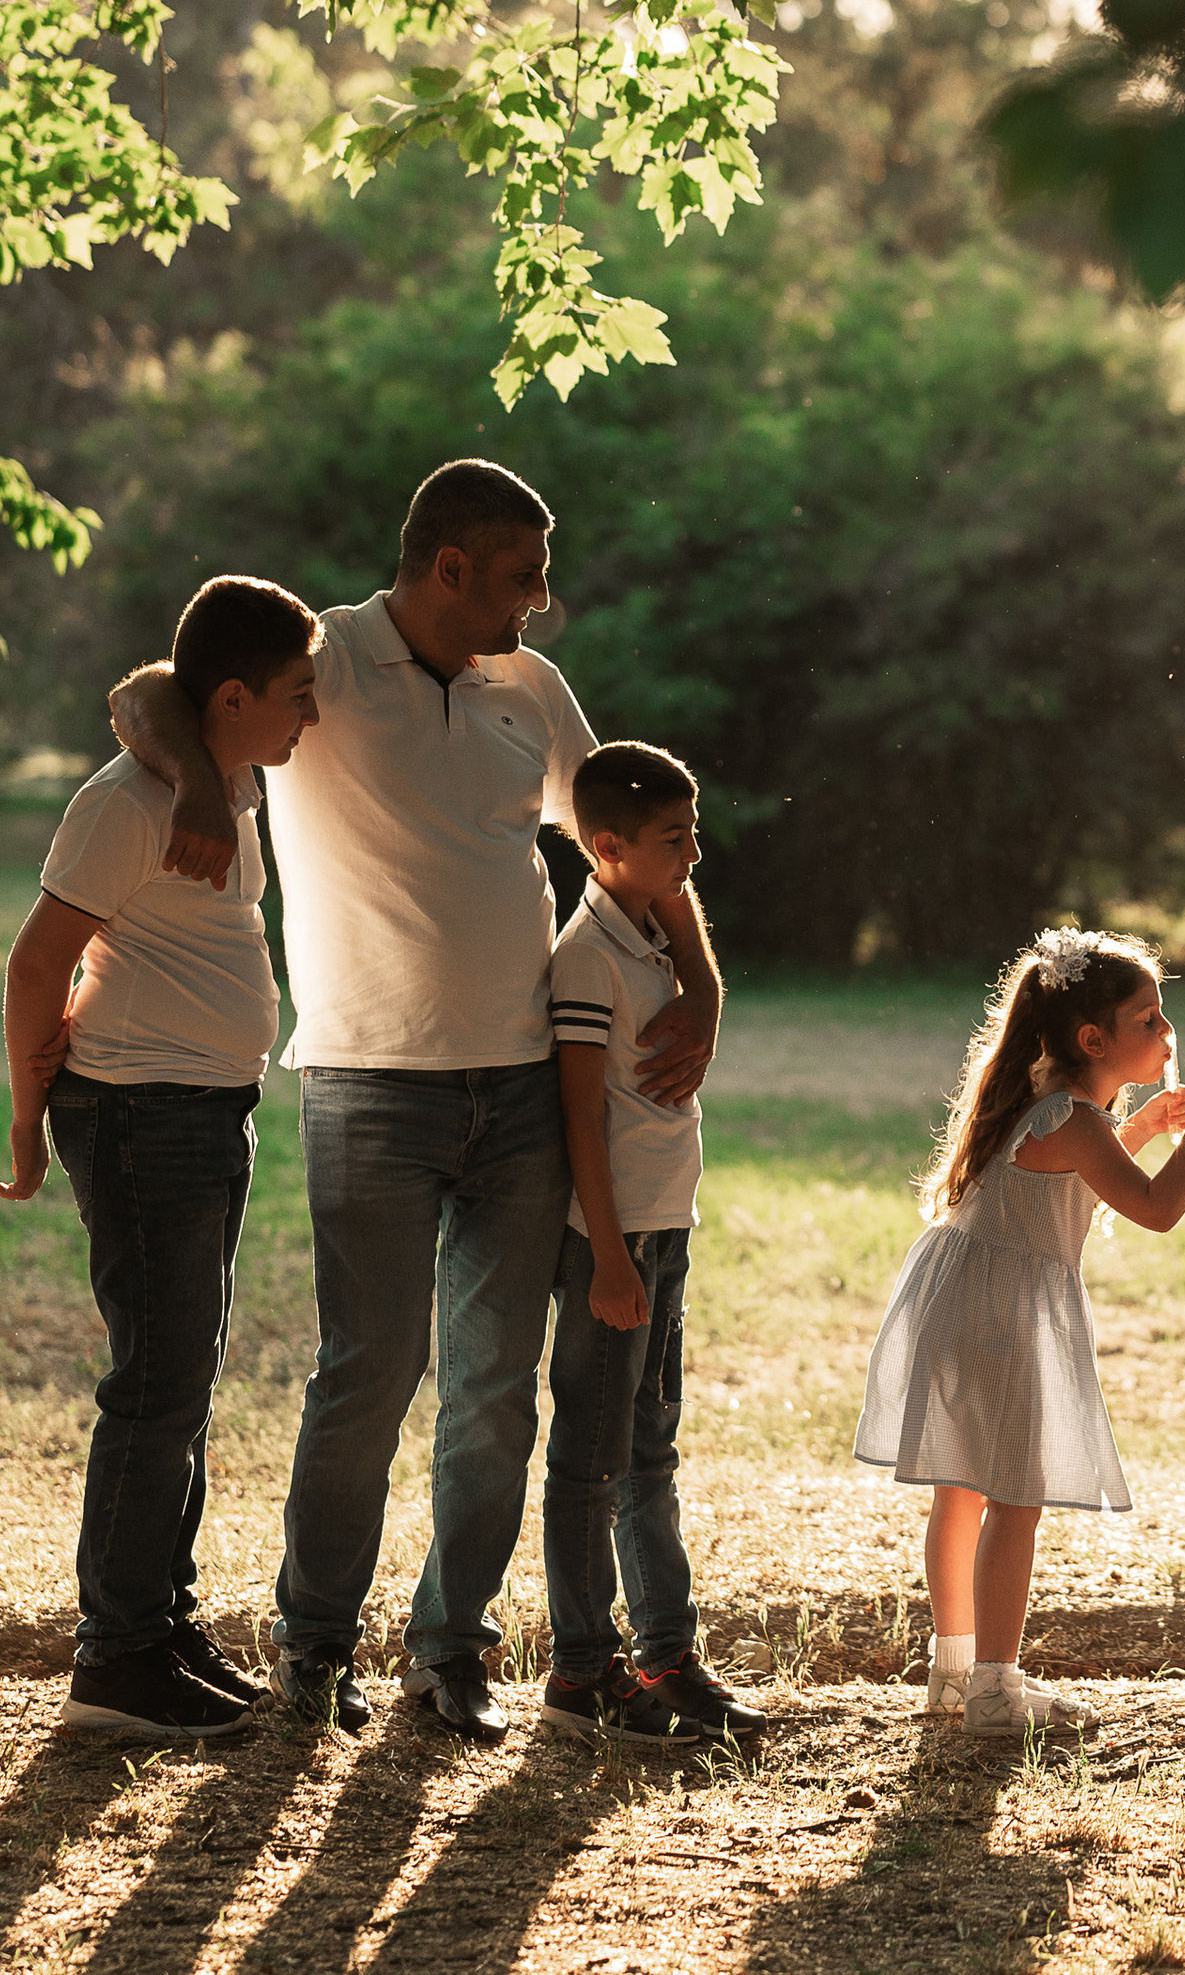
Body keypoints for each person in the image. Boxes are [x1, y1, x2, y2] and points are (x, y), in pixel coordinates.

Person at [107, 459, 720, 1740]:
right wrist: (212, 790)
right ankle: (314, 1650)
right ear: (450, 565)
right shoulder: (321, 658)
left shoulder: (528, 690)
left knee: (493, 1391)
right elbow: (142, 693)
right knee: (366, 1376)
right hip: (367, 1080)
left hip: (520, 1086)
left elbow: (627, 826)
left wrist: (702, 978)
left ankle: (450, 1653)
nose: (539, 605)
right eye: (521, 576)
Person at [4, 577, 321, 1738]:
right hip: (139, 1117)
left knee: (182, 1380)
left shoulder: (223, 774)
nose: (315, 716)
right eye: (297, 695)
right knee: (155, 1386)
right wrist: (28, 1121)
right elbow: (34, 967)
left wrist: (198, 763)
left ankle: (158, 1620)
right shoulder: (129, 800)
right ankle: (115, 1661)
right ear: (232, 697)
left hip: (203, 1113)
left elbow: (150, 690)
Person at [853, 927, 1185, 1737]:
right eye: (1150, 1020)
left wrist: (1140, 1133)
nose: (1168, 1035)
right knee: (1016, 1498)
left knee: (961, 1491)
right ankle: (997, 1691)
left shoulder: (1045, 1104)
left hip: (962, 1298)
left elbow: (1068, 1185)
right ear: (1092, 1039)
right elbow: (1158, 1210)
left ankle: (956, 1672)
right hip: (1003, 1313)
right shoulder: (1074, 1119)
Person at [538, 741, 762, 1750]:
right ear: (607, 846)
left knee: (648, 1448)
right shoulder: (586, 954)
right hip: (611, 1243)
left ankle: (666, 1655)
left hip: (664, 1229)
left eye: (696, 830)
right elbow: (580, 1119)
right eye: (676, 838)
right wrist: (615, 1259)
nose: (695, 856)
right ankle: (581, 1674)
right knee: (590, 1455)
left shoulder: (647, 937)